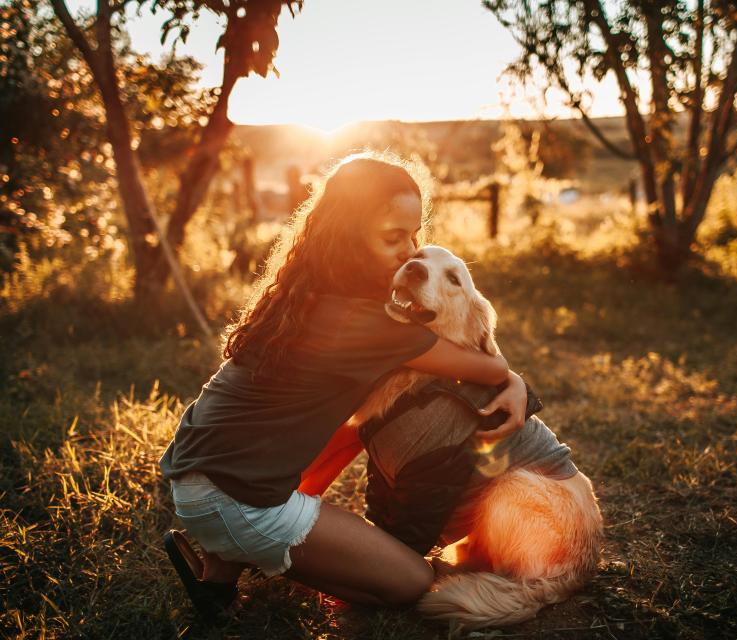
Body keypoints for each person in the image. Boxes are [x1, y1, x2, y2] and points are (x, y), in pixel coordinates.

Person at [159, 152, 528, 617]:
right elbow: (486, 369)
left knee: (328, 437)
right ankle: (244, 546)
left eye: (414, 235)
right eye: (393, 237)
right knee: (412, 581)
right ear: (348, 238)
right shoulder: (368, 323)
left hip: (195, 475)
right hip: (235, 499)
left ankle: (217, 581)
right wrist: (513, 381)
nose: (410, 251)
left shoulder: (307, 293)